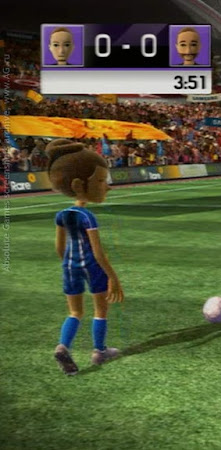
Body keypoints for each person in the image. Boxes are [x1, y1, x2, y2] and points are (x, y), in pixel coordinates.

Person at [46, 139, 125, 375]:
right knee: (100, 310)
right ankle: (99, 351)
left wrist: (69, 264)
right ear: (79, 185)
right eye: (101, 181)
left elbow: (59, 247)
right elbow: (98, 252)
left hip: (70, 267)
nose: (107, 187)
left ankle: (63, 346)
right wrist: (113, 277)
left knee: (75, 312)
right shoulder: (87, 216)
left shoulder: (62, 215)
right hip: (91, 265)